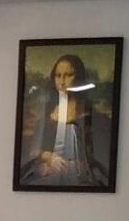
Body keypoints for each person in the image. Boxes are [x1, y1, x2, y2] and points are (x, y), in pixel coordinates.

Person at [20, 52, 108, 186]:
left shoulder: (92, 117)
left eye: (68, 75)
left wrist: (80, 164)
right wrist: (47, 158)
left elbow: (99, 156)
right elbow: (32, 152)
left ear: (78, 77)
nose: (62, 81)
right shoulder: (45, 116)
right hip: (46, 178)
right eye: (58, 75)